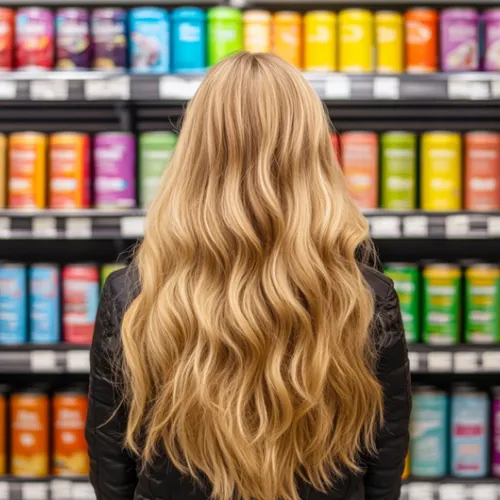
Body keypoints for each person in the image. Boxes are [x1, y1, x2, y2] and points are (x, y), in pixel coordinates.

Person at [85, 52, 411, 500]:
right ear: (313, 154)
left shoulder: (134, 295)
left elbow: (113, 465)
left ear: (194, 154)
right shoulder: (363, 297)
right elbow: (383, 460)